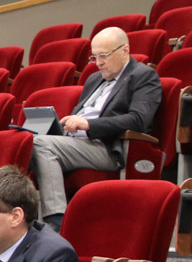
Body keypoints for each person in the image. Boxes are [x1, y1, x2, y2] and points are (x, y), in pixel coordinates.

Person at [29, 26, 162, 232]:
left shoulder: (143, 76)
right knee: (21, 143)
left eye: (104, 56)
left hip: (107, 146)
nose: (98, 62)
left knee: (38, 144)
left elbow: (138, 120)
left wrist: (90, 125)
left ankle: (56, 221)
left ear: (125, 50)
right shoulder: (94, 79)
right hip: (77, 141)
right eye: (94, 57)